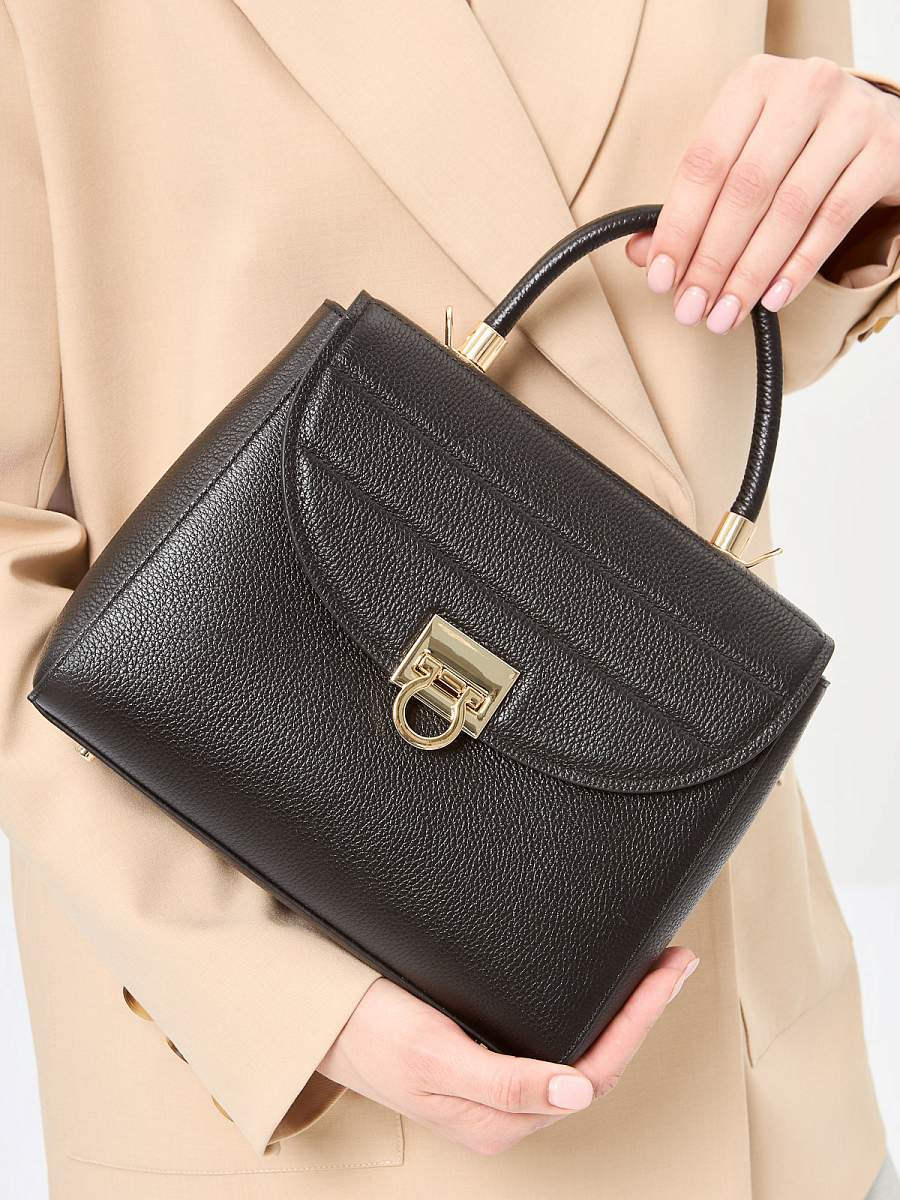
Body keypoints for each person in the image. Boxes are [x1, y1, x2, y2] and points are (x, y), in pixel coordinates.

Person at [1, 2, 898, 1197]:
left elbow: (741, 323)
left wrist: (868, 163)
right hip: (288, 1079)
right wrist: (281, 1000)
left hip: (729, 1027)